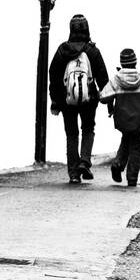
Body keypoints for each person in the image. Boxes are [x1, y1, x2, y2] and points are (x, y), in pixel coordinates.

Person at [48, 13, 108, 184]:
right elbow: (103, 78)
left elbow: (54, 76)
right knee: (88, 129)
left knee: (71, 133)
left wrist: (56, 100)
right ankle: (85, 161)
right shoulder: (92, 51)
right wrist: (108, 100)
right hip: (89, 99)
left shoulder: (62, 50)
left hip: (67, 100)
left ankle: (74, 173)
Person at [100, 48, 140, 187]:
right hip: (139, 121)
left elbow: (104, 97)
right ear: (135, 62)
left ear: (122, 63)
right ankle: (132, 178)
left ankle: (118, 164)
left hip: (122, 120)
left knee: (126, 139)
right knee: (135, 147)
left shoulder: (116, 80)